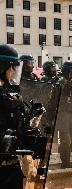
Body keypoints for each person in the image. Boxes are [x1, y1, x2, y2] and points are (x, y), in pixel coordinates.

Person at [0, 44, 25, 188]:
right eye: (13, 67)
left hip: (12, 164)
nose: (15, 71)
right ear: (4, 67)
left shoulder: (10, 90)